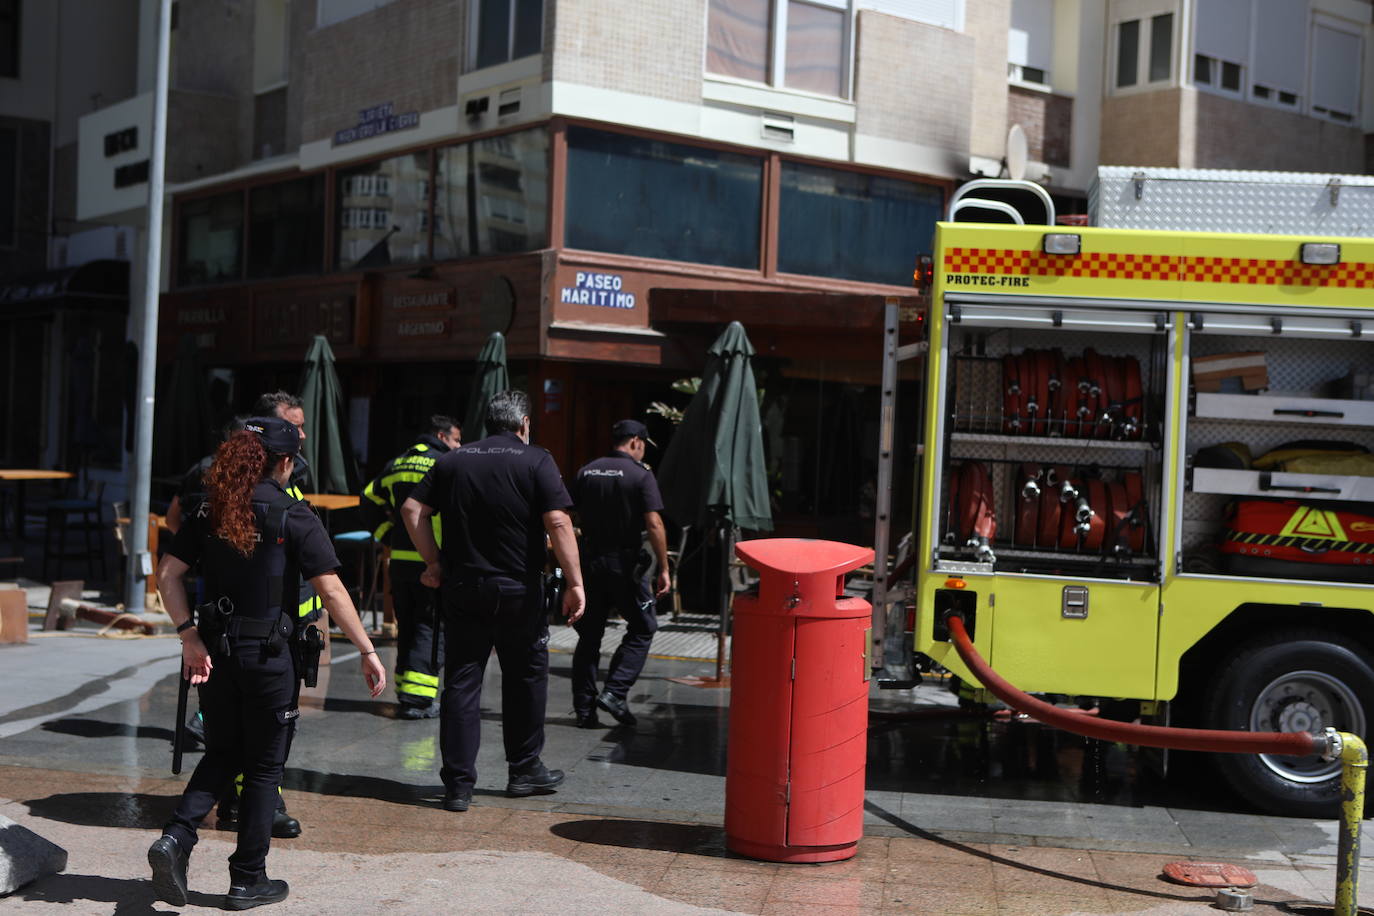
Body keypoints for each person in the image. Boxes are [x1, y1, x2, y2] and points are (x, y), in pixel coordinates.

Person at [147, 416, 386, 910]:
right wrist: (366, 649)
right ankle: (246, 879)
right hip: (269, 658)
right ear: (284, 463)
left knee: (222, 753)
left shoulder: (210, 509)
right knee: (261, 768)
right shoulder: (294, 515)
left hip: (214, 653)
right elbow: (332, 590)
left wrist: (188, 636)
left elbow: (167, 574)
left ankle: (176, 837)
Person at [400, 390, 585, 813]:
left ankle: (458, 786)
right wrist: (575, 582)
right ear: (523, 424)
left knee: (462, 682)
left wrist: (434, 561)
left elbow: (412, 510)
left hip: (463, 588)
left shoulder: (451, 460)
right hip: (519, 590)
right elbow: (557, 520)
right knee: (525, 678)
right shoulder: (536, 458)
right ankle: (523, 771)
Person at [570, 419, 672, 728]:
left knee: (589, 637)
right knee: (643, 626)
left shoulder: (586, 471)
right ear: (636, 442)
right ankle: (615, 691)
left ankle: (585, 711)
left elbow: (566, 516)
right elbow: (654, 524)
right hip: (625, 566)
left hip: (589, 563)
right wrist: (664, 567)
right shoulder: (640, 475)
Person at [361, 415, 462, 719]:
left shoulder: (397, 463)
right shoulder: (444, 464)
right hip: (431, 560)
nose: (459, 445)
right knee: (430, 629)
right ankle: (418, 700)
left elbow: (367, 498)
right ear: (442, 437)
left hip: (400, 561)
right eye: (457, 439)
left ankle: (406, 690)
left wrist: (386, 535)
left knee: (407, 626)